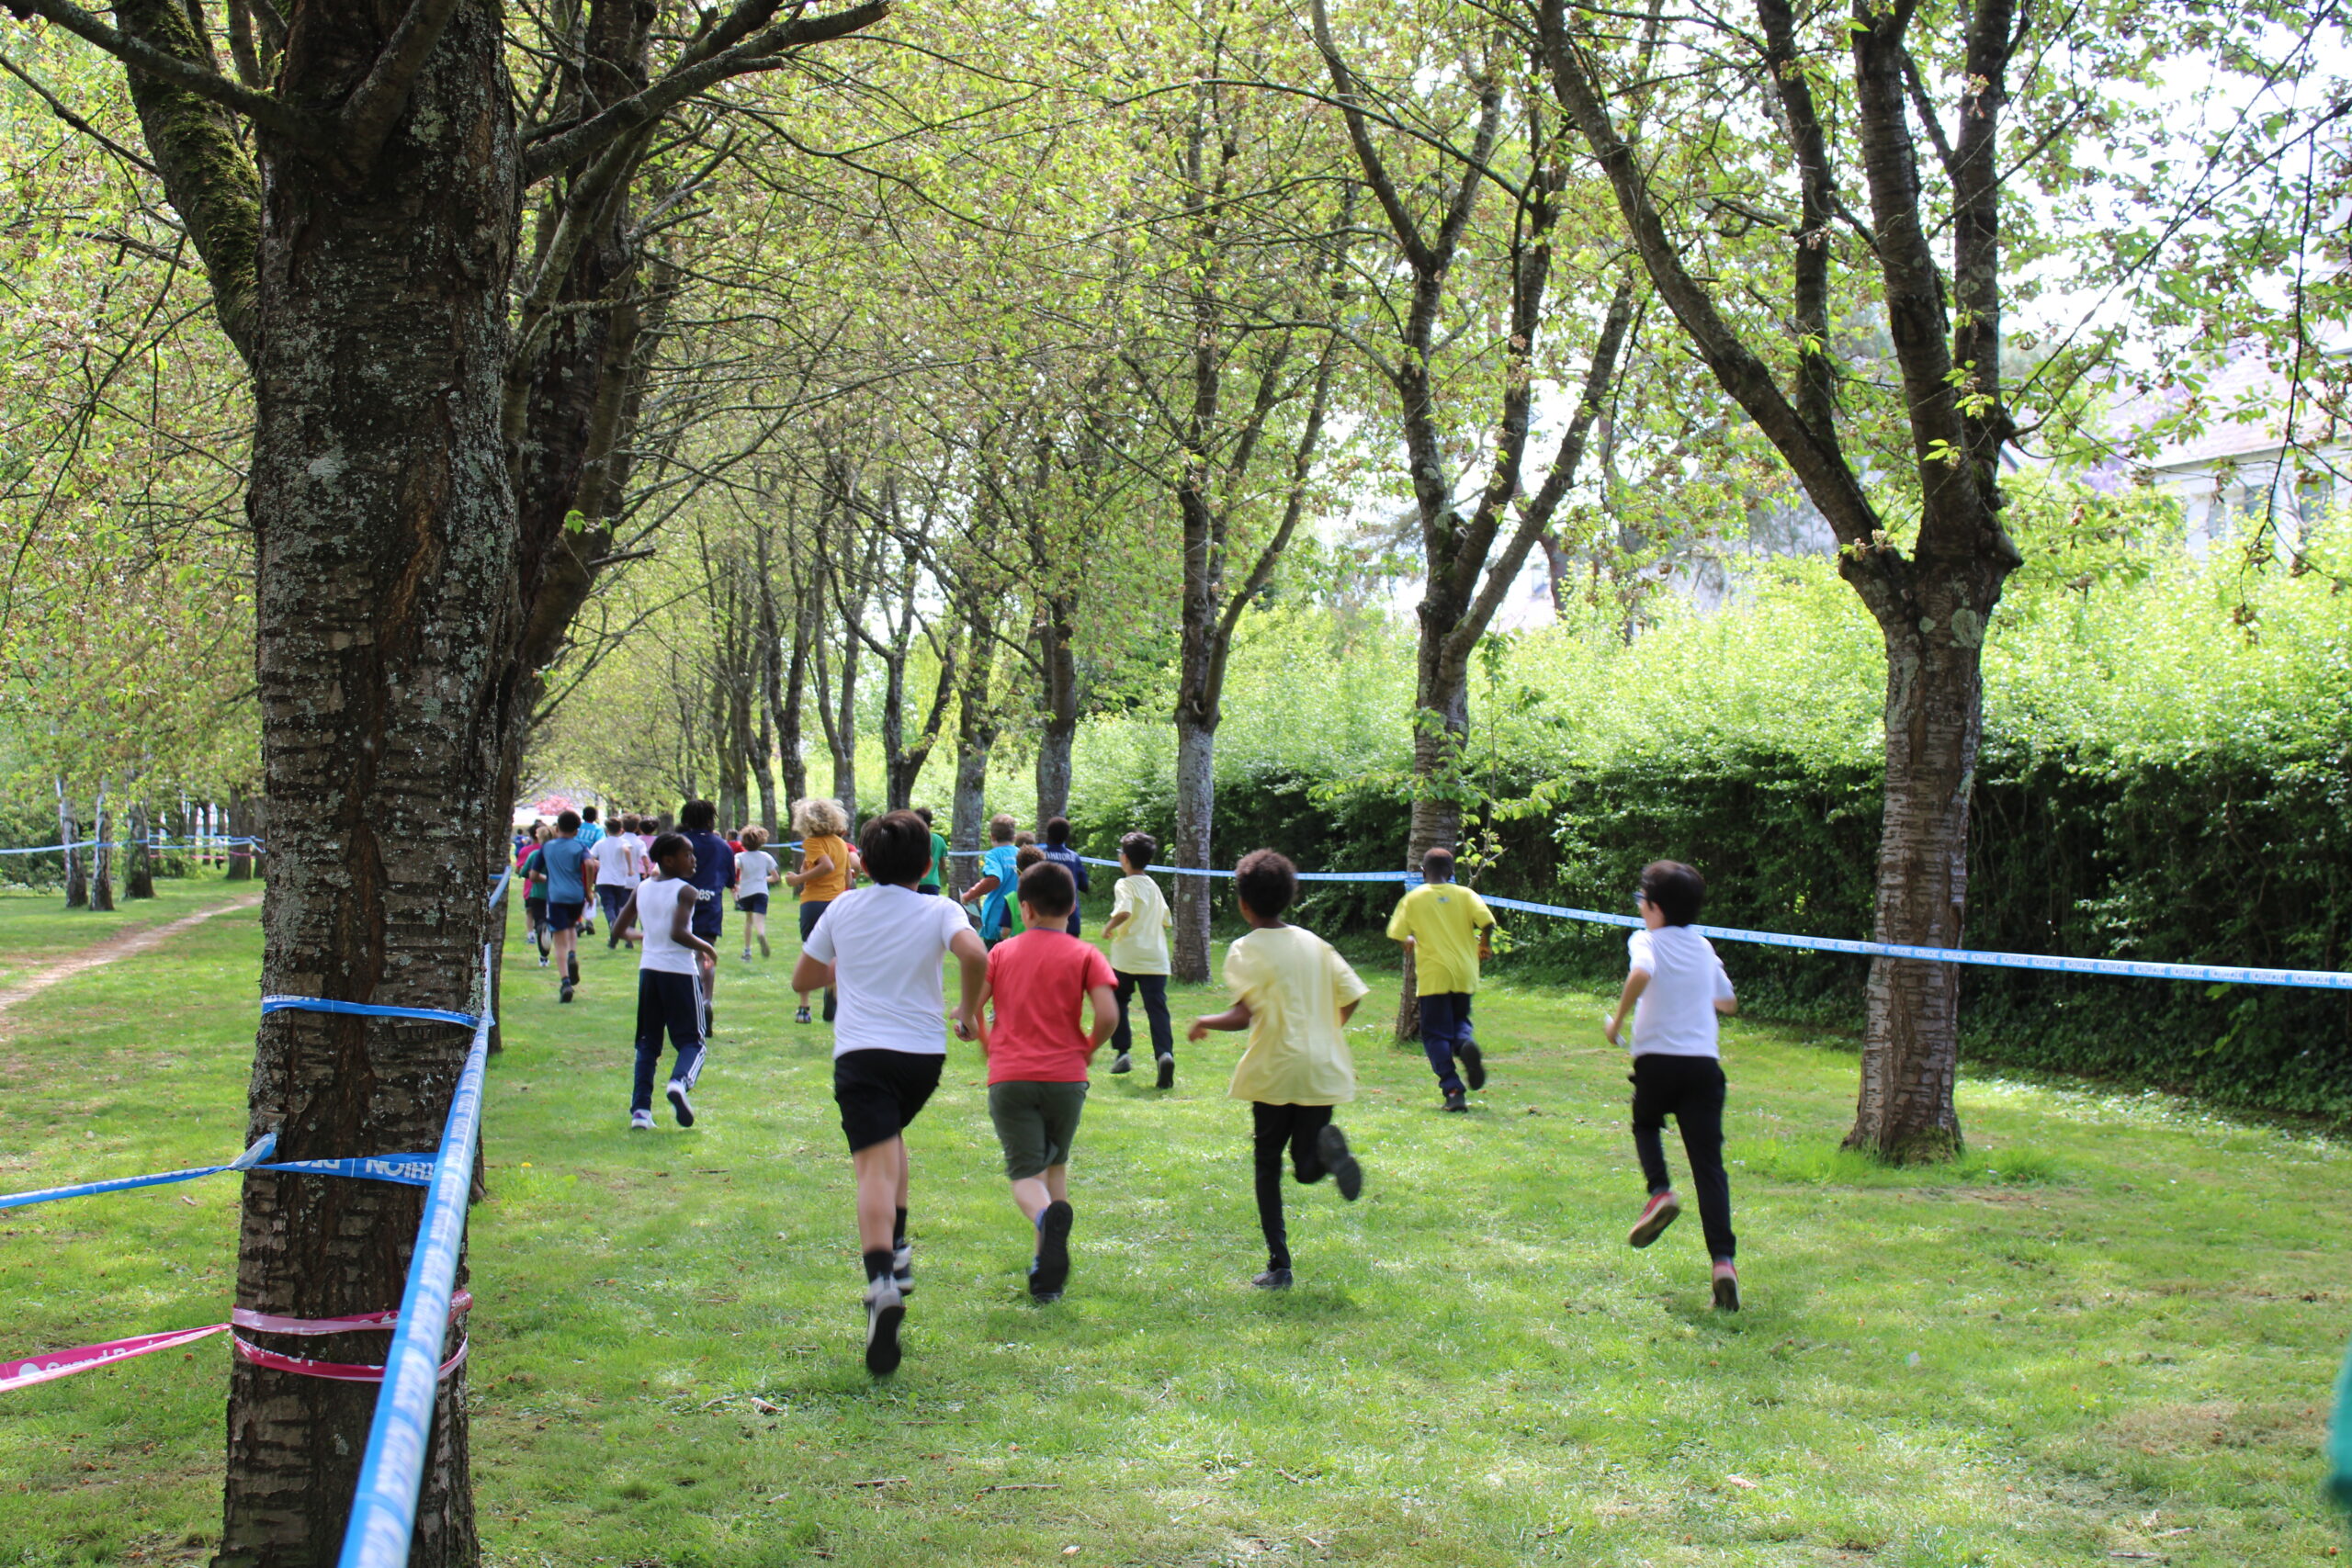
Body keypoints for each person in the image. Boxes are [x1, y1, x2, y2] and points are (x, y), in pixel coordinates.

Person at [792, 808, 989, 1376]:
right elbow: (975, 954)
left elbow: (803, 979)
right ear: (927, 865)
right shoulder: (940, 908)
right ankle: (898, 1252)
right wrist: (967, 1009)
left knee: (873, 1169)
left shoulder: (843, 907)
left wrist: (845, 965)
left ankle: (881, 1282)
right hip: (921, 1059)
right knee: (890, 1139)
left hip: (862, 1055)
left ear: (864, 863)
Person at [1189, 850, 1369, 1291]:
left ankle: (1280, 1266)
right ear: (1290, 896)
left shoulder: (1245, 948)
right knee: (1305, 1166)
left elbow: (1243, 1015)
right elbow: (1351, 995)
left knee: (1268, 1163)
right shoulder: (1315, 944)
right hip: (1322, 1068)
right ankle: (1328, 1159)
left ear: (1243, 903)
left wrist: (1204, 1020)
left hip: (1274, 1070)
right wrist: (1325, 1031)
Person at [965, 861, 1116, 1302]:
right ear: (1072, 908)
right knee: (1055, 1165)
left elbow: (973, 1008)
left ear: (1025, 909)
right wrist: (1088, 1047)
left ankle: (1045, 1229)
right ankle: (1045, 1275)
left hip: (1011, 1077)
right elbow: (1108, 1015)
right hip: (1066, 1078)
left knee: (1026, 1175)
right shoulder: (1086, 954)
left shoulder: (1001, 953)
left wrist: (985, 1041)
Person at [1601, 859, 1741, 1312]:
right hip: (1703, 1066)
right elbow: (1728, 1001)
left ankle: (1660, 1191)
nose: (1640, 908)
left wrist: (1617, 1022)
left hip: (1656, 1062)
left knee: (1646, 1124)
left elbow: (1642, 973)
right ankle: (1723, 1263)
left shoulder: (1645, 940)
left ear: (1655, 908)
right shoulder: (1703, 946)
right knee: (1709, 1167)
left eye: (1642, 900)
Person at [610, 831, 717, 1131]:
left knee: (648, 1043)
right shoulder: (686, 891)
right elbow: (678, 933)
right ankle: (679, 1083)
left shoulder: (642, 888)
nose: (693, 860)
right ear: (668, 860)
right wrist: (707, 948)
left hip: (649, 971)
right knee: (693, 1042)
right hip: (679, 972)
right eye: (687, 855)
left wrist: (644, 936)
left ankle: (640, 1111)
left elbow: (618, 930)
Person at [1386, 846, 1498, 1112]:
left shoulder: (1414, 899)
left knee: (1435, 1034)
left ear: (1423, 871)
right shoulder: (1466, 894)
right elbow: (1488, 922)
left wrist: (1408, 940)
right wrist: (1484, 944)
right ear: (1452, 871)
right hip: (1464, 972)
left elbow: (1396, 933)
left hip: (1434, 975)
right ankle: (1465, 1044)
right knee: (1459, 1022)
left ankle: (1453, 1089)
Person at [1100, 832, 1174, 1087]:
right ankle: (1164, 1054)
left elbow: (1124, 911)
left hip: (1128, 957)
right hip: (1156, 958)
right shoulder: (1153, 886)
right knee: (1157, 1008)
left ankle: (1123, 1053)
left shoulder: (1125, 884)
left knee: (1118, 1000)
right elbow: (1166, 920)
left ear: (1125, 858)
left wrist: (1108, 927)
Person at [786, 797, 857, 1022]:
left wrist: (797, 879)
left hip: (815, 903)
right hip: (837, 903)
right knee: (836, 952)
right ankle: (832, 996)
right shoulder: (840, 844)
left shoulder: (813, 843)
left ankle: (804, 1008)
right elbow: (847, 878)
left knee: (811, 952)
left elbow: (826, 866)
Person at [676, 800, 734, 1033]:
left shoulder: (679, 842)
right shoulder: (722, 846)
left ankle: (686, 1006)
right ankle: (706, 1000)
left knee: (680, 955)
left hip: (680, 902)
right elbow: (730, 879)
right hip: (710, 904)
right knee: (706, 953)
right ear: (711, 819)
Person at [538, 810, 595, 1003]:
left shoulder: (547, 847)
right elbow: (590, 864)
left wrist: (547, 878)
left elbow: (533, 874)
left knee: (559, 939)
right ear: (576, 831)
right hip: (576, 895)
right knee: (572, 926)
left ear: (557, 828)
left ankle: (565, 982)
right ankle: (573, 953)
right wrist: (588, 889)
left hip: (556, 896)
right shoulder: (579, 847)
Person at [958, 813, 1021, 946]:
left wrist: (969, 896)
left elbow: (994, 879)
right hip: (1019, 920)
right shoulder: (1021, 854)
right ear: (1014, 837)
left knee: (993, 958)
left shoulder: (994, 855)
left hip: (997, 920)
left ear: (992, 836)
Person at [592, 812, 645, 950]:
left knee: (608, 906)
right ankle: (614, 935)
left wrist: (599, 864)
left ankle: (613, 924)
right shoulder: (623, 842)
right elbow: (627, 851)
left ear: (606, 830)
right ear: (620, 829)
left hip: (603, 879)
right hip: (620, 881)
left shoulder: (601, 843)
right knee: (618, 907)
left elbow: (590, 857)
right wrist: (630, 868)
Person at [1037, 818, 1091, 937]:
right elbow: (1084, 886)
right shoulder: (1074, 857)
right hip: (1070, 918)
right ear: (1066, 836)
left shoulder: (1040, 855)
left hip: (1045, 917)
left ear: (1048, 834)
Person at [734, 825, 780, 962]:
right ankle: (761, 934)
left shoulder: (740, 856)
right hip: (761, 891)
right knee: (759, 919)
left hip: (746, 892)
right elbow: (776, 877)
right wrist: (763, 879)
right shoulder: (766, 856)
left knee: (748, 921)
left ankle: (747, 952)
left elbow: (734, 865)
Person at [518, 824, 552, 963]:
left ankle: (543, 956)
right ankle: (545, 951)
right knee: (551, 922)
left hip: (537, 894)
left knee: (539, 921)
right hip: (554, 895)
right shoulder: (556, 855)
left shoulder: (534, 855)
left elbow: (523, 872)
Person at [575, 807, 605, 937]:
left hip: (575, 862)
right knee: (589, 890)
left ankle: (578, 921)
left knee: (577, 891)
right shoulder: (598, 829)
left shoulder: (578, 828)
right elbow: (600, 845)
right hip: (590, 862)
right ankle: (589, 920)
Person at [913, 807, 949, 897]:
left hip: (913, 883)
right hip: (932, 884)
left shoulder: (910, 839)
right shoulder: (939, 840)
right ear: (930, 823)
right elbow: (943, 866)